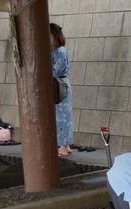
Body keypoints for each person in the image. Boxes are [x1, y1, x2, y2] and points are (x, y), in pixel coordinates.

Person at [51, 23, 73, 157]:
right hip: (59, 83)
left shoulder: (59, 51)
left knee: (62, 116)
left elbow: (55, 70)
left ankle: (63, 145)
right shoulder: (57, 50)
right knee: (63, 115)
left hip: (58, 84)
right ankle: (66, 144)